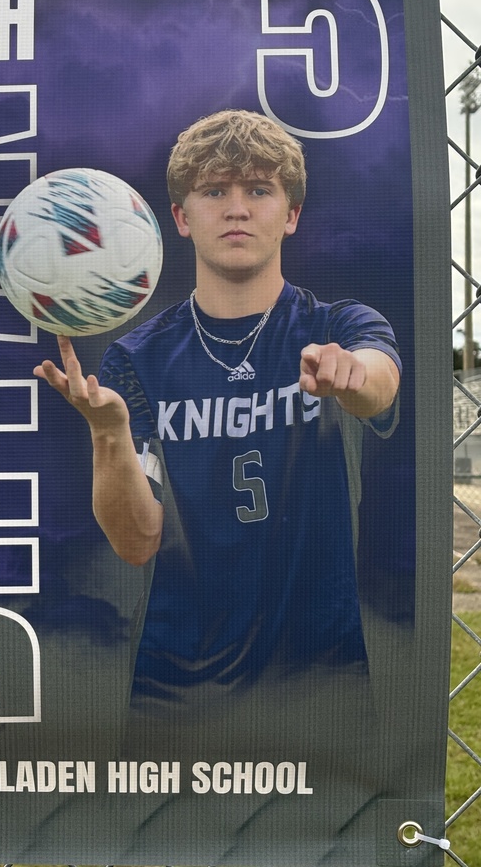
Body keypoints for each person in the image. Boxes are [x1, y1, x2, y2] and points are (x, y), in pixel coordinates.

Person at [34, 109, 401, 702]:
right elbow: (136, 541)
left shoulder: (339, 325)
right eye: (214, 191)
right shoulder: (137, 359)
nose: (237, 208)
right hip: (176, 692)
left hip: (320, 679)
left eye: (260, 189)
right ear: (180, 217)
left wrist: (353, 375)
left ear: (291, 214)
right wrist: (109, 431)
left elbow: (380, 380)